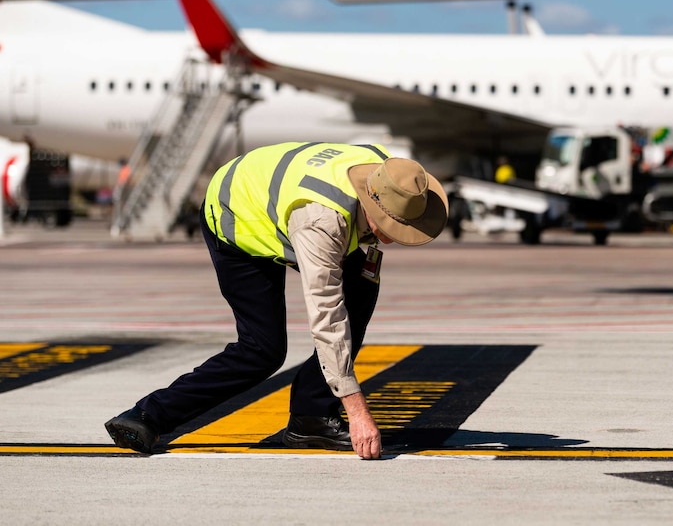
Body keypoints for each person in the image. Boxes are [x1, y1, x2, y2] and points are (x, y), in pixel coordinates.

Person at [105, 142, 448, 460]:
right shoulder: (321, 222)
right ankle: (148, 415)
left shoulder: (386, 174)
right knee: (262, 350)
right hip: (238, 218)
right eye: (392, 226)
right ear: (372, 205)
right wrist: (356, 408)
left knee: (361, 289)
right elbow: (326, 316)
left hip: (279, 201)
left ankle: (311, 418)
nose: (393, 238)